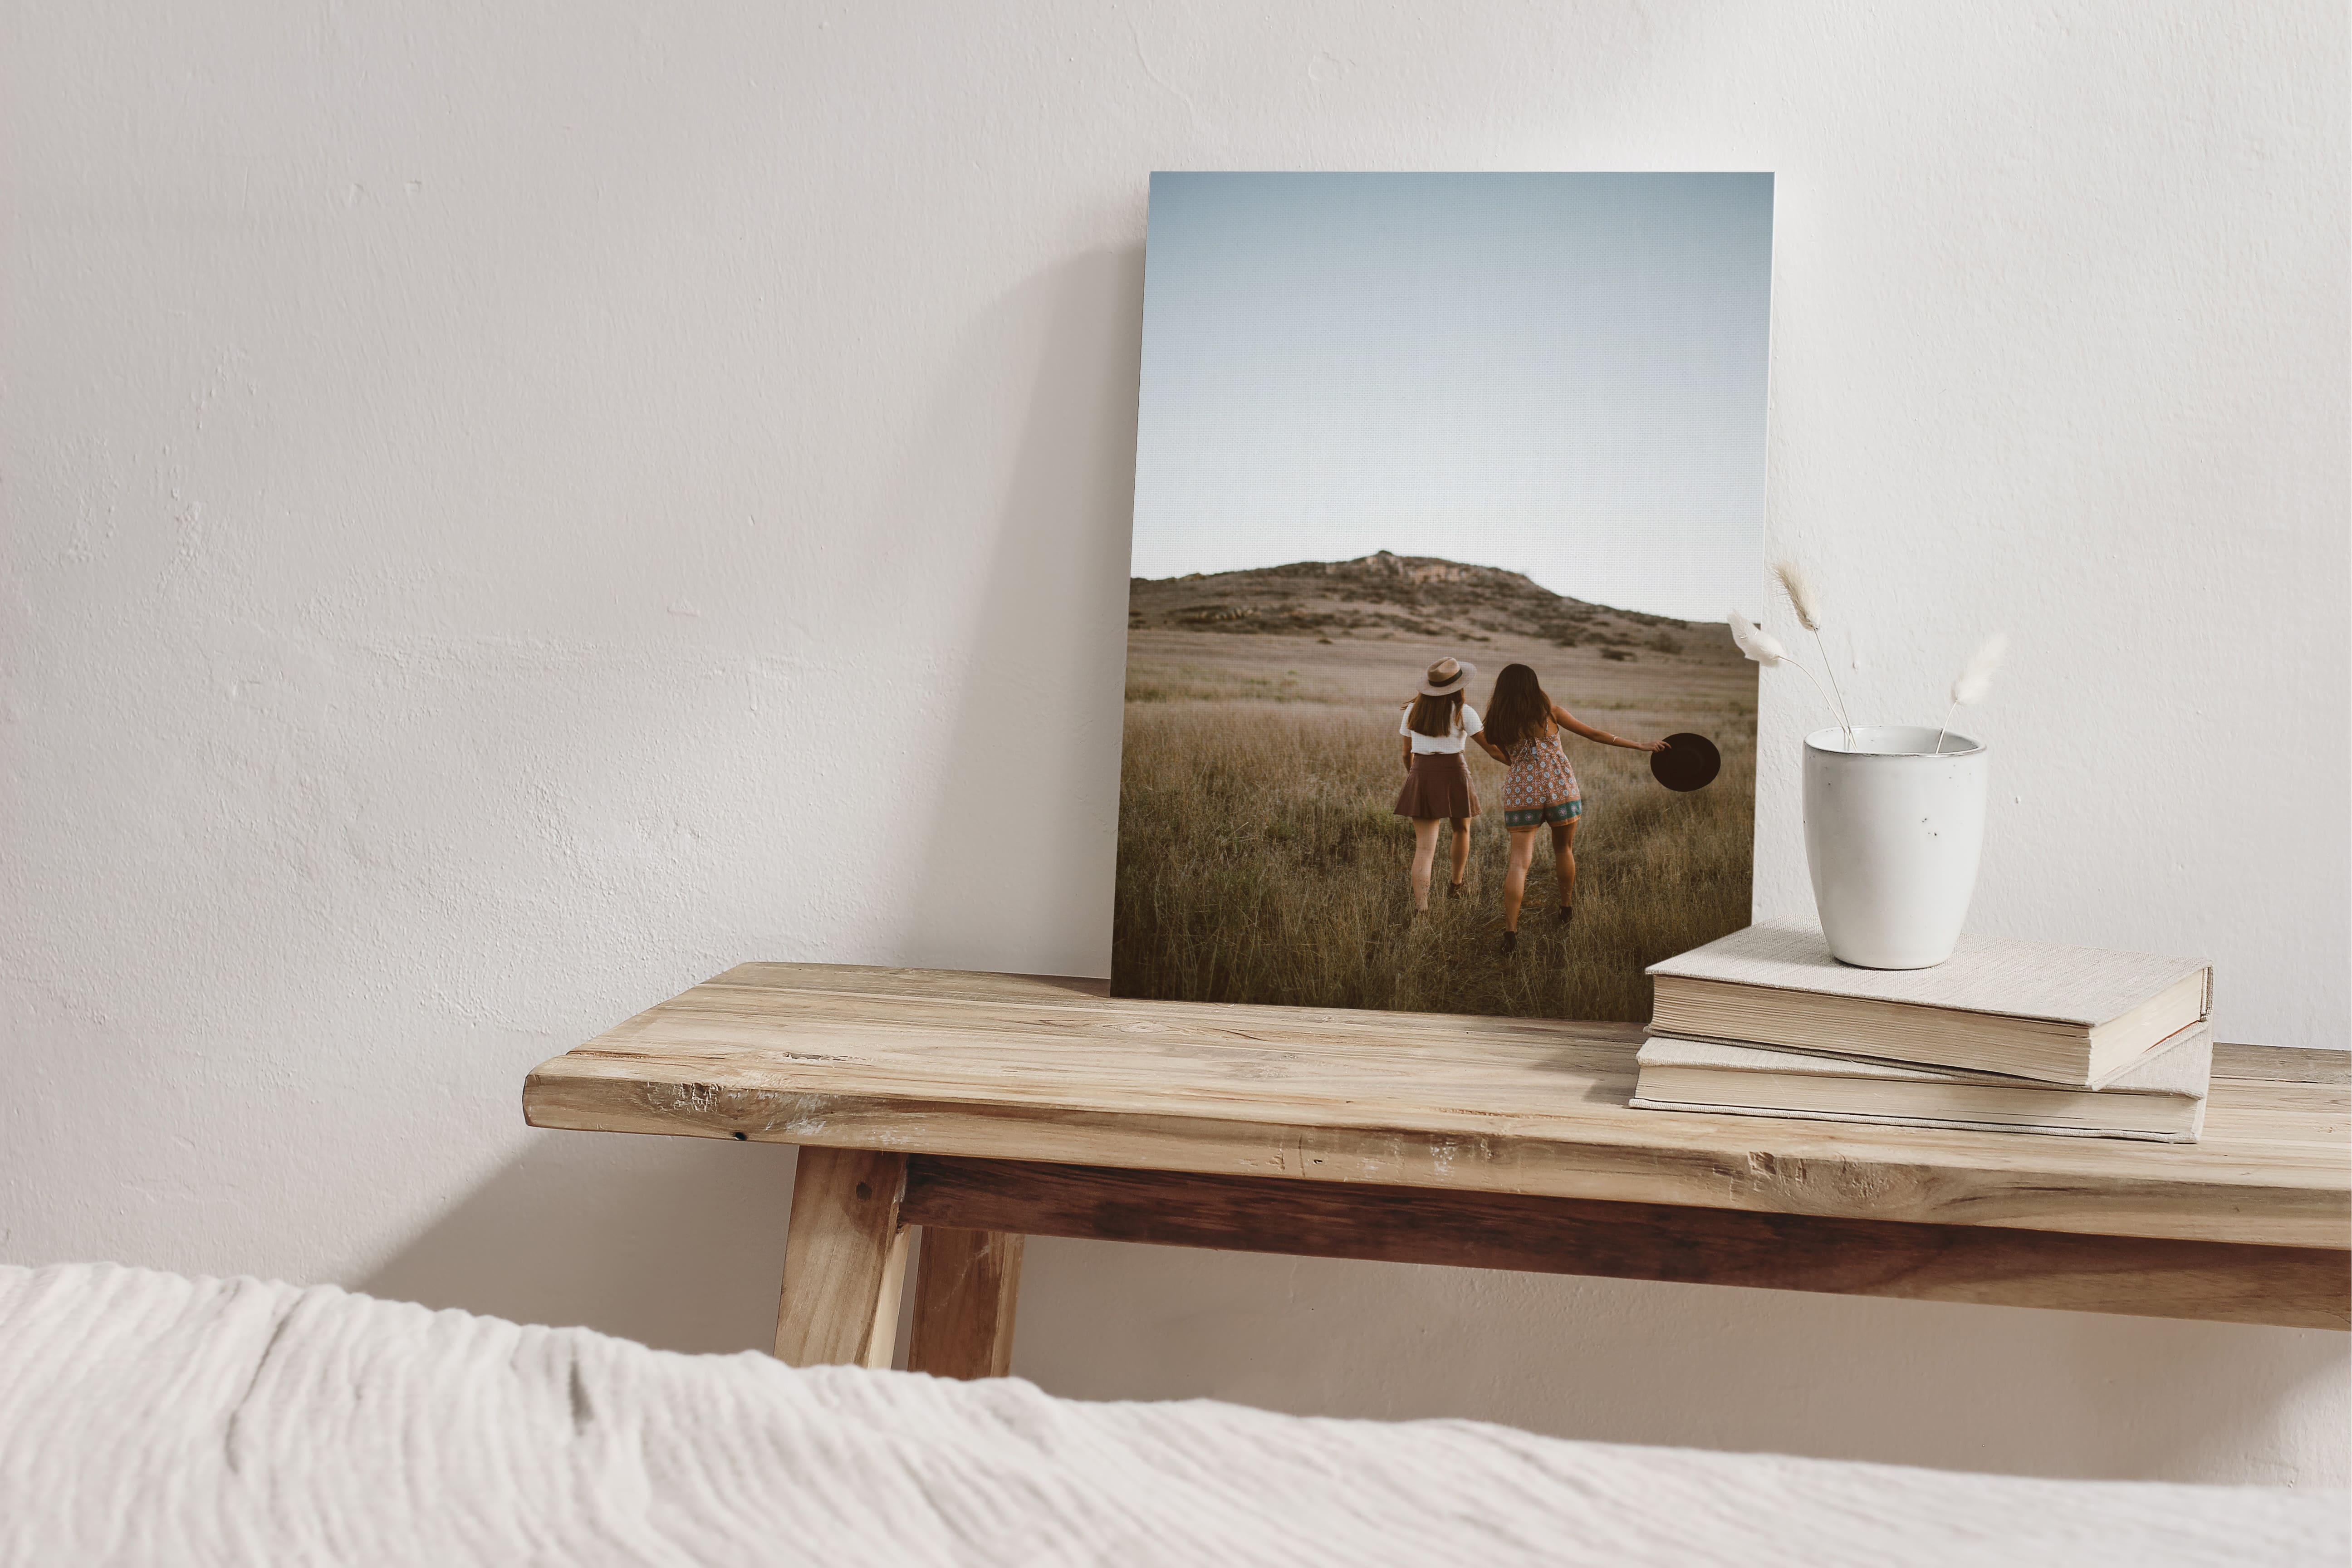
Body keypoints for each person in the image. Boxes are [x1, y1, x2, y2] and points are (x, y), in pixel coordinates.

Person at [1475, 663, 1669, 953]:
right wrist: (1640, 745)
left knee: (1518, 863)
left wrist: (1523, 767)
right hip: (1560, 786)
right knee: (1563, 850)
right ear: (1534, 685)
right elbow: (1595, 735)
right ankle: (1566, 908)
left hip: (1521, 789)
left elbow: (1498, 754)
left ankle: (1511, 934)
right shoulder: (1551, 713)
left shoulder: (1496, 721)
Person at [1391, 657, 1485, 914]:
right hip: (1455, 772)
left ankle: (1422, 910)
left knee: (1424, 848)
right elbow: (1491, 748)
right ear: (1458, 686)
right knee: (1462, 830)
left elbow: (1405, 753)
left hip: (1421, 772)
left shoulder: (1414, 710)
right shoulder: (1464, 712)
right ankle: (1456, 884)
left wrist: (1417, 777)